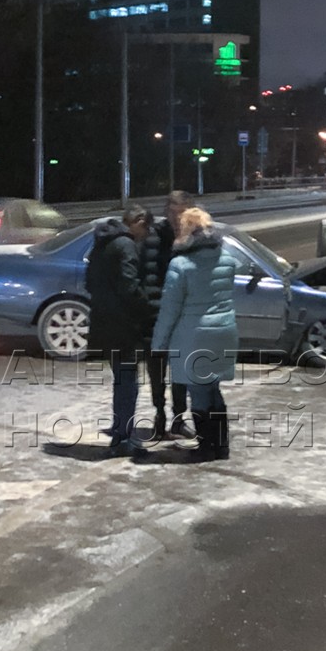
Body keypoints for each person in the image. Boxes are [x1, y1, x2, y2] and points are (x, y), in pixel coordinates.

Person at [150, 207, 238, 462]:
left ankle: (206, 447)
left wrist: (158, 344)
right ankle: (221, 446)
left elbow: (169, 310)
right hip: (224, 332)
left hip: (195, 336)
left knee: (198, 392)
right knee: (213, 389)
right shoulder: (226, 258)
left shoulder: (180, 265)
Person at [85, 207, 154, 458]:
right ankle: (123, 439)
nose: (144, 236)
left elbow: (89, 283)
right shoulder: (126, 245)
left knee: (121, 380)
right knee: (127, 384)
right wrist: (146, 306)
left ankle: (120, 433)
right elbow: (129, 285)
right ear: (139, 222)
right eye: (145, 230)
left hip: (103, 323)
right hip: (124, 326)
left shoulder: (101, 244)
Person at [142, 191, 194, 440]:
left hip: (183, 316)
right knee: (157, 370)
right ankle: (159, 415)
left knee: (181, 371)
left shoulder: (192, 239)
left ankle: (178, 418)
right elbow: (147, 274)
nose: (176, 217)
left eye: (181, 212)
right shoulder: (154, 236)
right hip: (156, 314)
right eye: (172, 212)